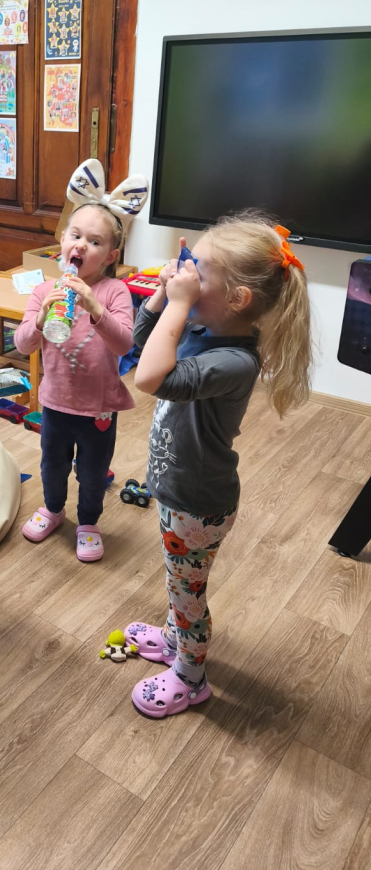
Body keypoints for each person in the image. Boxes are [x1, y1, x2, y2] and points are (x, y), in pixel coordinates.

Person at [126, 214, 313, 718]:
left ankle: (191, 678)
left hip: (197, 504)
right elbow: (141, 345)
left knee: (188, 596)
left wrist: (178, 304)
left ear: (237, 299)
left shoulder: (234, 361)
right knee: (179, 585)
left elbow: (149, 378)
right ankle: (173, 641)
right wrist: (164, 296)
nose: (185, 274)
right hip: (180, 492)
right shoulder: (201, 328)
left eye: (197, 271)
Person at [14, 196, 135, 563]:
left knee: (93, 473)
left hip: (98, 408)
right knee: (52, 465)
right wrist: (40, 317)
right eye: (76, 236)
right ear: (62, 241)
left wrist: (94, 307)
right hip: (55, 402)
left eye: (95, 242)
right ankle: (53, 509)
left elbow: (124, 344)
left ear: (111, 256)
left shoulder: (115, 291)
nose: (81, 245)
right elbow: (22, 345)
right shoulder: (43, 291)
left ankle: (88, 522)